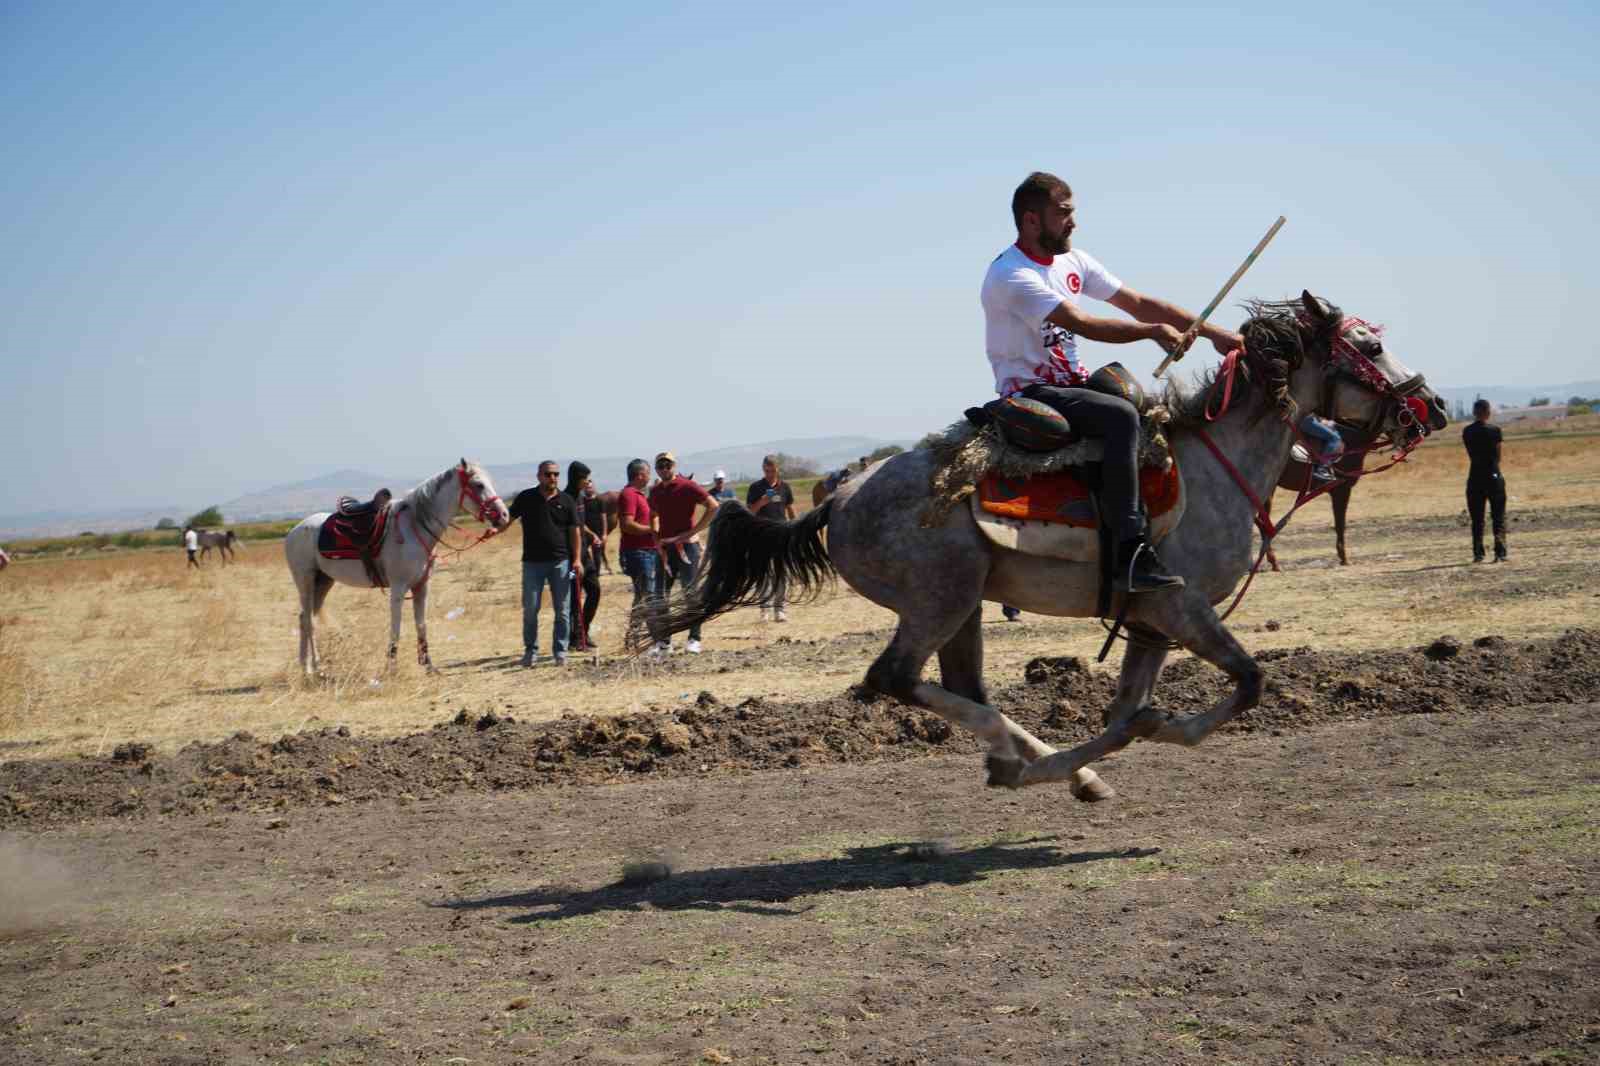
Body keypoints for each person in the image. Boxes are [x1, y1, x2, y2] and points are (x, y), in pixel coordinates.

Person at [982, 171, 1243, 593]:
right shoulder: (1009, 275)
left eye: (1073, 213)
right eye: (1063, 213)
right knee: (1120, 416)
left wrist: (1218, 335)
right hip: (1031, 391)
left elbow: (1137, 303)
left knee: (1145, 405)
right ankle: (1130, 554)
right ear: (1032, 220)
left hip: (1073, 384)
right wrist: (1153, 332)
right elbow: (1081, 323)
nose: (1073, 222)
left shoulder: (1074, 261)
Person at [507, 460, 581, 667]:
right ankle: (531, 651)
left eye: (556, 474)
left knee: (563, 610)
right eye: (548, 474)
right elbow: (508, 519)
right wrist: (494, 530)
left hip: (561, 563)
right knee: (530, 608)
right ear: (539, 475)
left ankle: (560, 651)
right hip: (532, 564)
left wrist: (576, 560)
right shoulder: (526, 498)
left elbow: (575, 532)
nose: (553, 478)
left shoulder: (566, 500)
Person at [649, 451, 718, 654]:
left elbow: (713, 506)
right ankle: (665, 641)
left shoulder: (687, 486)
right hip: (665, 549)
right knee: (661, 595)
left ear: (675, 466)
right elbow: (652, 515)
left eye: (668, 465)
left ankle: (694, 638)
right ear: (657, 469)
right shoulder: (655, 492)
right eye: (660, 466)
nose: (664, 469)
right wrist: (656, 537)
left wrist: (694, 532)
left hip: (687, 546)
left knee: (690, 594)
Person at [616, 458, 667, 655]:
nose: (650, 476)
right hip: (638, 553)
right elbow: (627, 524)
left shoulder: (638, 494)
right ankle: (652, 641)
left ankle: (634, 639)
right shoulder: (629, 495)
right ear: (639, 475)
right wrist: (652, 531)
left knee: (641, 598)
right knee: (648, 597)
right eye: (647, 473)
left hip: (645, 552)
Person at [746, 454, 796, 621]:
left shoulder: (785, 487)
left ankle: (779, 609)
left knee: (782, 573)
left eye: (772, 470)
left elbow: (790, 509)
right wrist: (762, 501)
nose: (770, 474)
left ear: (778, 469)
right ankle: (764, 609)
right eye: (767, 471)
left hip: (781, 534)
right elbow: (750, 512)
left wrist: (794, 528)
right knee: (764, 573)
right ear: (763, 469)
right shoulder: (755, 488)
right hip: (761, 536)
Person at [564, 461, 603, 651]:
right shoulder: (564, 499)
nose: (588, 482)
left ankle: (583, 632)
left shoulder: (580, 498)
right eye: (585, 478)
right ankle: (575, 639)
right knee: (574, 599)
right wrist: (574, 559)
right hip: (571, 559)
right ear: (577, 478)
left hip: (585, 555)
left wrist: (592, 534)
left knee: (595, 591)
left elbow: (580, 524)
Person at [1463, 399, 1508, 562]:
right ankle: (1500, 551)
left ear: (1474, 412)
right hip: (1493, 475)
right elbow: (1498, 456)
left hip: (1475, 476)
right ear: (1487, 412)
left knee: (1477, 518)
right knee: (1498, 515)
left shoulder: (1467, 431)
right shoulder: (1495, 430)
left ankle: (1478, 553)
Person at [1299, 415, 1346, 482]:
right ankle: (1321, 468)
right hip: (1305, 419)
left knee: (1336, 431)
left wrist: (1321, 420)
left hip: (1310, 417)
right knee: (1335, 438)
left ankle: (1328, 462)